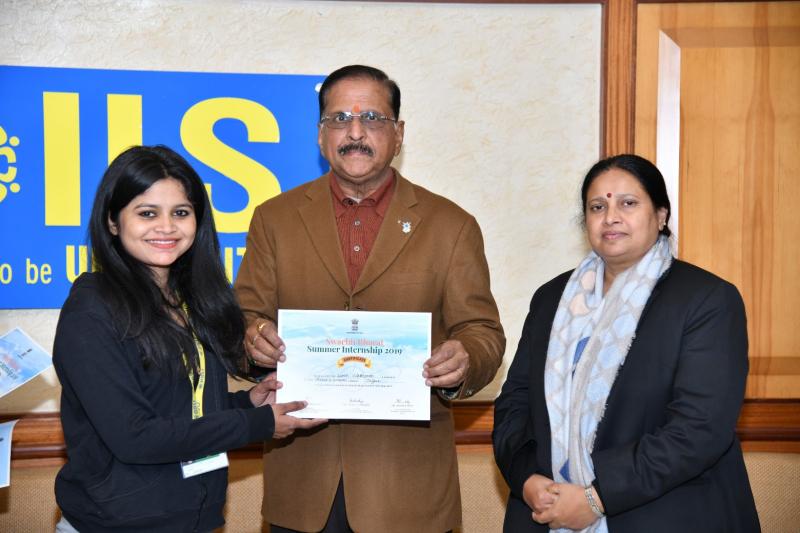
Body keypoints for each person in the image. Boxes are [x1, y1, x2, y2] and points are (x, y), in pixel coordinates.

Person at [234, 65, 506, 533]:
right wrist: (252, 338)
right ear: (321, 135)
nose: (355, 133)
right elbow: (245, 316)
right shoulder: (274, 219)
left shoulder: (451, 225)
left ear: (398, 134)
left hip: (408, 489)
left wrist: (465, 358)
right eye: (340, 119)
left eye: (373, 119)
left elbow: (482, 331)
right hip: (302, 482)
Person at [52, 145, 324, 533]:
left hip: (193, 521)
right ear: (112, 221)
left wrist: (248, 402)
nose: (167, 227)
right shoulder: (92, 310)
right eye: (147, 213)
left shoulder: (191, 301)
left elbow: (179, 408)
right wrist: (255, 424)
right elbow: (135, 436)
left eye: (180, 213)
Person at [493, 154, 760, 532]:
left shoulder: (706, 300)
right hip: (546, 510)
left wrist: (597, 498)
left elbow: (700, 428)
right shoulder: (552, 298)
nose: (611, 217)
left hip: (666, 513)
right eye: (597, 207)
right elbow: (515, 403)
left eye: (628, 203)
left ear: (661, 215)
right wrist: (526, 478)